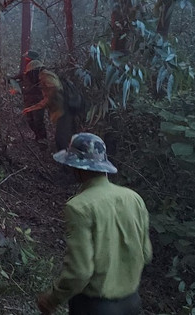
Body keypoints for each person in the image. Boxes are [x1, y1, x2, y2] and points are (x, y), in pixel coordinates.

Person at [37, 133, 152, 315]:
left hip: (95, 308)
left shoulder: (79, 207)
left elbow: (80, 272)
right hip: (132, 303)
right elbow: (145, 254)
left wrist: (52, 299)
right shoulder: (134, 198)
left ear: (77, 168)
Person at [22, 65, 77, 151]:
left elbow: (53, 92)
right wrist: (31, 108)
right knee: (63, 136)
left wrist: (34, 107)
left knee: (62, 138)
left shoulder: (46, 76)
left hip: (64, 109)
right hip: (61, 110)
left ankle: (66, 158)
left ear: (34, 71)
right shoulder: (44, 76)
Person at [18, 50, 47, 140]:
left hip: (38, 100)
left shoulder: (41, 71)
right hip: (28, 100)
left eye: (27, 59)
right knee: (30, 121)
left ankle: (43, 141)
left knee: (38, 121)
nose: (26, 60)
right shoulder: (26, 72)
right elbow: (18, 77)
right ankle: (38, 137)